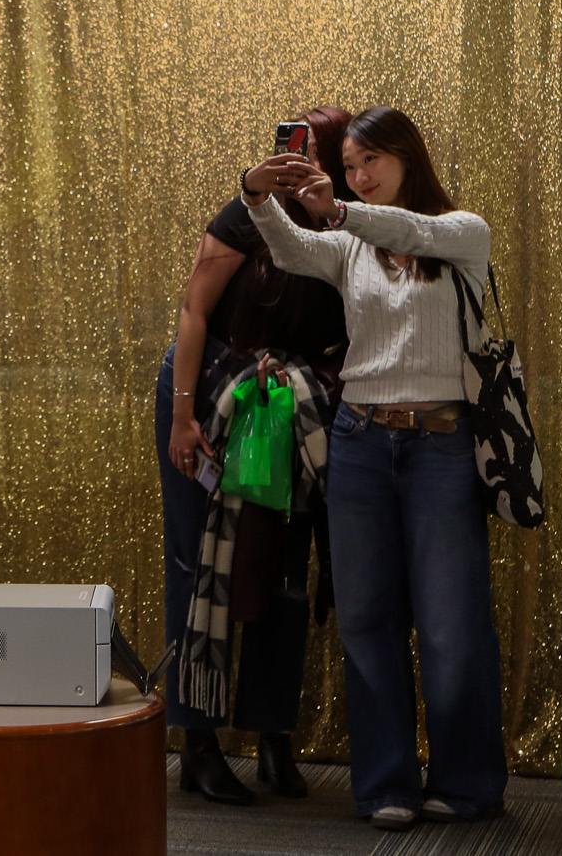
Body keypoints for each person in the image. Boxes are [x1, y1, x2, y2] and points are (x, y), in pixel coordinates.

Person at [241, 105, 506, 830]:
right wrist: (257, 195)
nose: (359, 176)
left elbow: (412, 230)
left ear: (406, 158)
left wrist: (343, 208)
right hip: (359, 440)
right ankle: (386, 781)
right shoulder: (349, 244)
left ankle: (467, 779)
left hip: (443, 445)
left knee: (452, 625)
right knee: (366, 620)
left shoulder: (462, 232)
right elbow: (293, 249)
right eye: (350, 165)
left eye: (370, 162)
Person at [157, 106, 353, 805]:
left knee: (281, 562)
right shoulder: (248, 213)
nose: (298, 164)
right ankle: (199, 745)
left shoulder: (349, 222)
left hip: (286, 402)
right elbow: (193, 308)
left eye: (316, 153)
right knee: (198, 560)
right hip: (209, 389)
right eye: (288, 149)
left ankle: (275, 736)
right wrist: (182, 415)